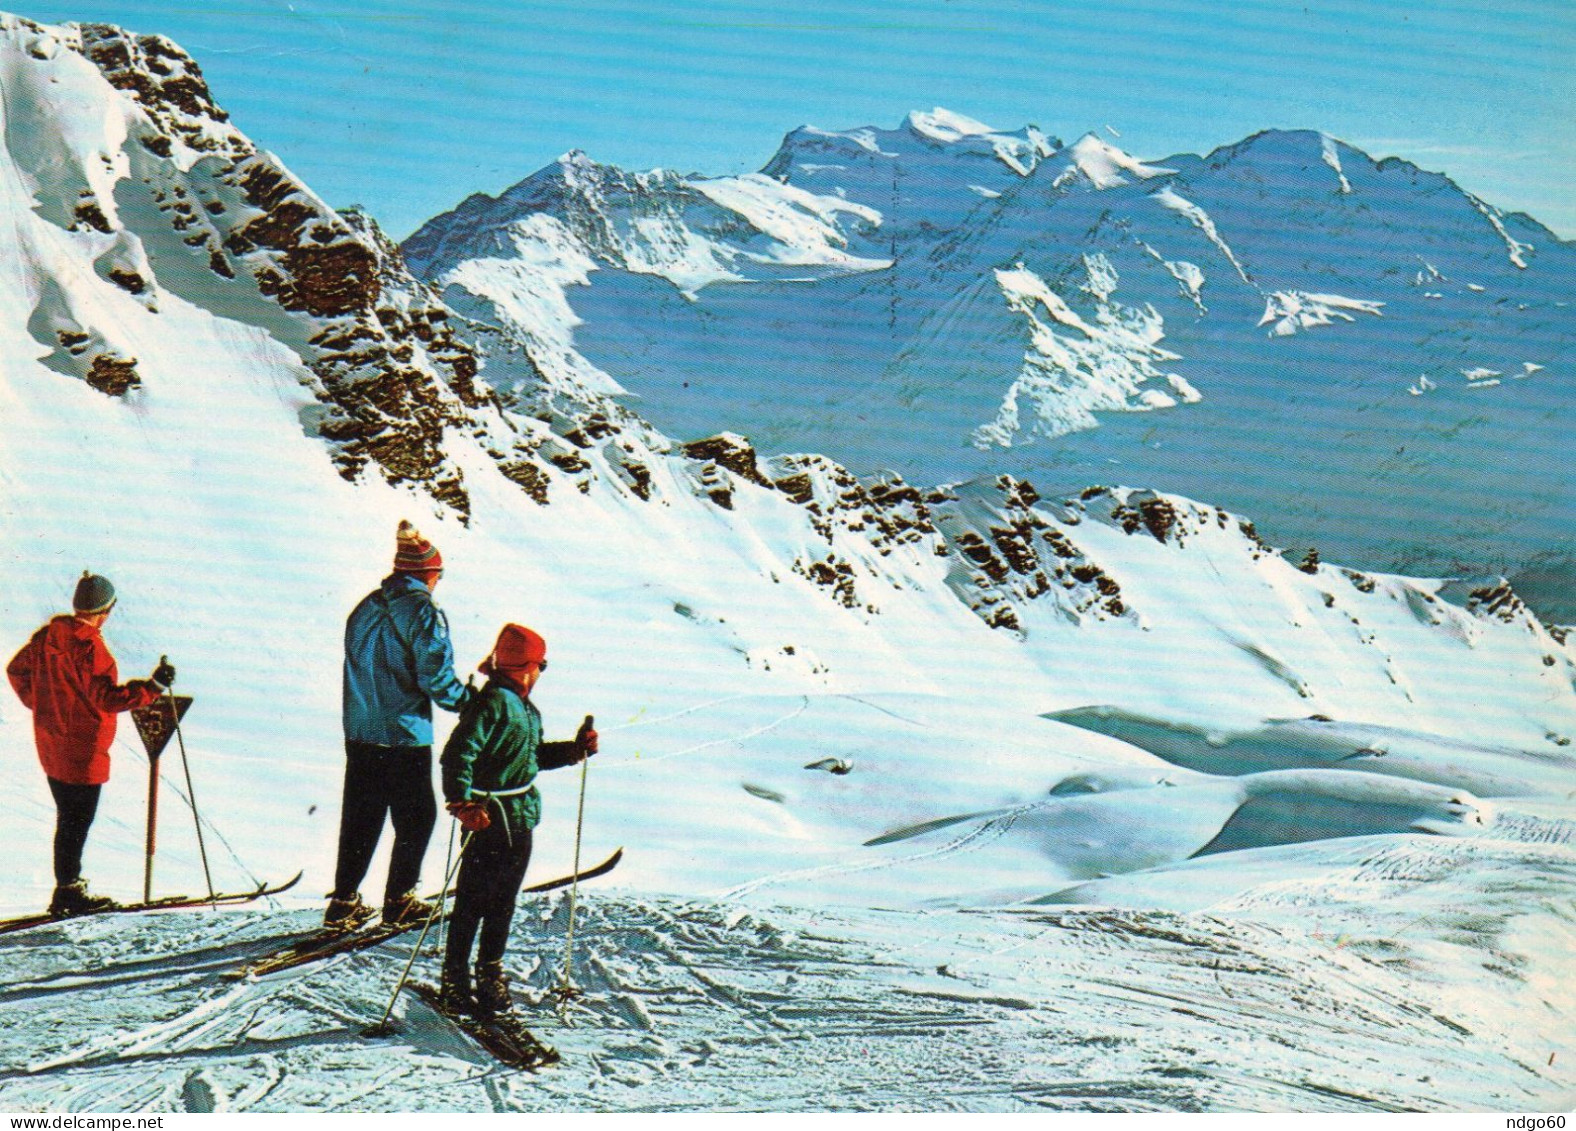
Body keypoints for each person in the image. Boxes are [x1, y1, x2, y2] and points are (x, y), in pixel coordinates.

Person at [439, 623, 596, 1019]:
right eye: (541, 665)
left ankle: (478, 974)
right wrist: (462, 803)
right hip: (490, 817)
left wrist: (574, 750)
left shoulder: (518, 706)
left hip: (514, 816)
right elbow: (457, 755)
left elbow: (530, 758)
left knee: (497, 900)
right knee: (481, 901)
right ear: (528, 667)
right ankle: (464, 978)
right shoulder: (494, 704)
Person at [329, 521, 473, 929]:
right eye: (438, 575)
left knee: (362, 816)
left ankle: (343, 902)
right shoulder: (423, 611)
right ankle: (400, 899)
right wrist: (467, 703)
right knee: (417, 816)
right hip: (405, 731)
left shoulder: (365, 607)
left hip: (360, 729)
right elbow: (436, 677)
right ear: (428, 574)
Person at [6, 572, 174, 916]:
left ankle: (68, 888)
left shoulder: (46, 637)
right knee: (76, 821)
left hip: (51, 745)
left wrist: (42, 703)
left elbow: (16, 670)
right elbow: (107, 699)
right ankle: (68, 892)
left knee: (67, 819)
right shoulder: (89, 648)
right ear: (106, 610)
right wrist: (152, 687)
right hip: (83, 752)